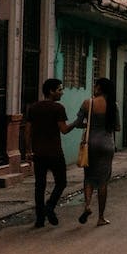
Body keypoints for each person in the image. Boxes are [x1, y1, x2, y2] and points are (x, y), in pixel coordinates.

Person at [23, 78, 76, 228]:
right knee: (61, 182)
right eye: (59, 90)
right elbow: (64, 130)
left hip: (39, 153)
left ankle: (40, 219)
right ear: (51, 91)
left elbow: (27, 131)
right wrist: (76, 124)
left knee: (40, 185)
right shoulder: (58, 108)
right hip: (55, 153)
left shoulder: (33, 108)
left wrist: (28, 150)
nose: (62, 92)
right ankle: (50, 206)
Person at [74, 77, 120, 226]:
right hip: (107, 144)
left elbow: (79, 123)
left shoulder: (88, 103)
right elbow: (117, 127)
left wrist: (89, 125)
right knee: (103, 181)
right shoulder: (114, 106)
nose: (94, 87)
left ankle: (87, 206)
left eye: (96, 85)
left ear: (99, 88)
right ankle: (100, 217)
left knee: (88, 177)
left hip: (90, 144)